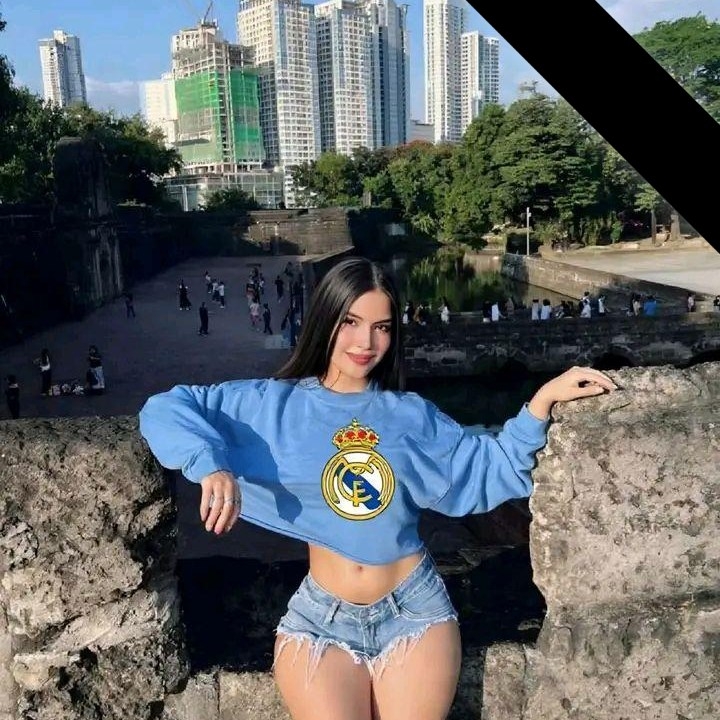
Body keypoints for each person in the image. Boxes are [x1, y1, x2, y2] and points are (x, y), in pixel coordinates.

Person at [138, 256, 617, 720]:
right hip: (320, 620)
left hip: (415, 611)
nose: (366, 342)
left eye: (382, 327)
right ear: (325, 319)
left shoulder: (411, 415)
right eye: (350, 321)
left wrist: (540, 403)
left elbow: (490, 467)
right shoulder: (272, 406)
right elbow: (166, 408)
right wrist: (211, 465)